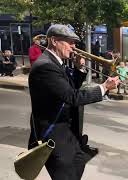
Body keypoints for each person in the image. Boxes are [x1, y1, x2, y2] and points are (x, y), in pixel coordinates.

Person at [28, 24, 119, 180]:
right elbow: (72, 97)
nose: (74, 47)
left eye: (75, 43)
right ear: (54, 41)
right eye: (70, 42)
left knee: (76, 169)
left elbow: (67, 89)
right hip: (56, 138)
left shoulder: (56, 63)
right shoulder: (46, 66)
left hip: (70, 135)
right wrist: (104, 88)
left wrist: (79, 69)